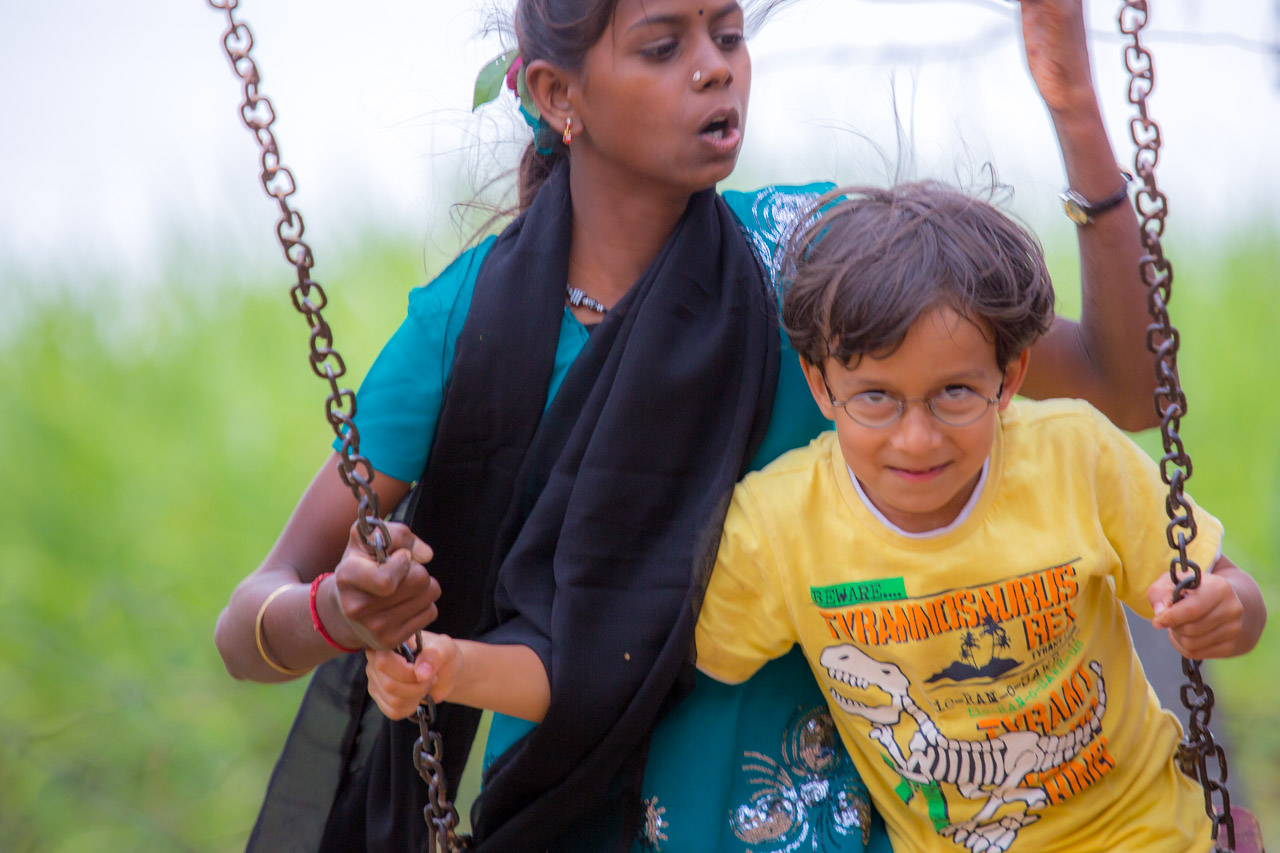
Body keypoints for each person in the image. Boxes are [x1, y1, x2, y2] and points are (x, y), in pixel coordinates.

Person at [215, 0, 1165, 849]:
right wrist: (341, 610)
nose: (715, 68)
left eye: (728, 34)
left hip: (816, 825)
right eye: (664, 46)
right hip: (564, 813)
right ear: (557, 93)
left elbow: (1124, 389)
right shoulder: (465, 327)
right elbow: (246, 625)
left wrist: (1076, 111)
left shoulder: (811, 261)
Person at [370, 181, 1267, 852]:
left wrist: (1228, 610)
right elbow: (618, 661)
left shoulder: (1074, 454)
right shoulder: (783, 525)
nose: (917, 437)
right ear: (819, 385)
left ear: (1011, 377)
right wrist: (452, 667)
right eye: (876, 397)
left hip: (1148, 832)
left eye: (955, 393)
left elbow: (1229, 592)